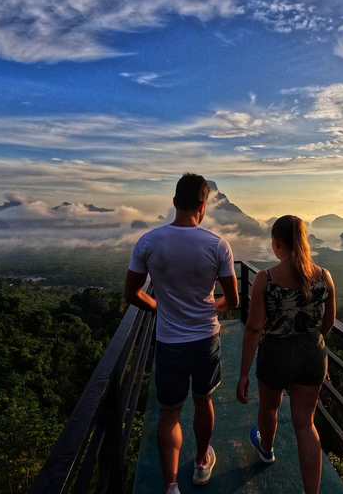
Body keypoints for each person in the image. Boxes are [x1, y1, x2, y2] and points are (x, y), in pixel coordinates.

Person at [125, 173, 239, 494]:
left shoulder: (148, 242)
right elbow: (232, 300)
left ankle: (171, 485)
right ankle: (202, 462)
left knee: (169, 413)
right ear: (204, 205)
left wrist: (158, 306)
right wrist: (212, 306)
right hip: (205, 340)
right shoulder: (217, 245)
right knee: (204, 402)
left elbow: (132, 292)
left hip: (169, 343)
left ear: (174, 202)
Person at [236, 215, 336, 494]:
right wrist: (310, 343)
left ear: (277, 243)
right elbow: (328, 323)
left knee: (269, 407)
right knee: (306, 424)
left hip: (276, 352)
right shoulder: (324, 276)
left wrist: (244, 373)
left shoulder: (265, 278)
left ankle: (266, 450)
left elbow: (254, 328)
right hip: (312, 352)